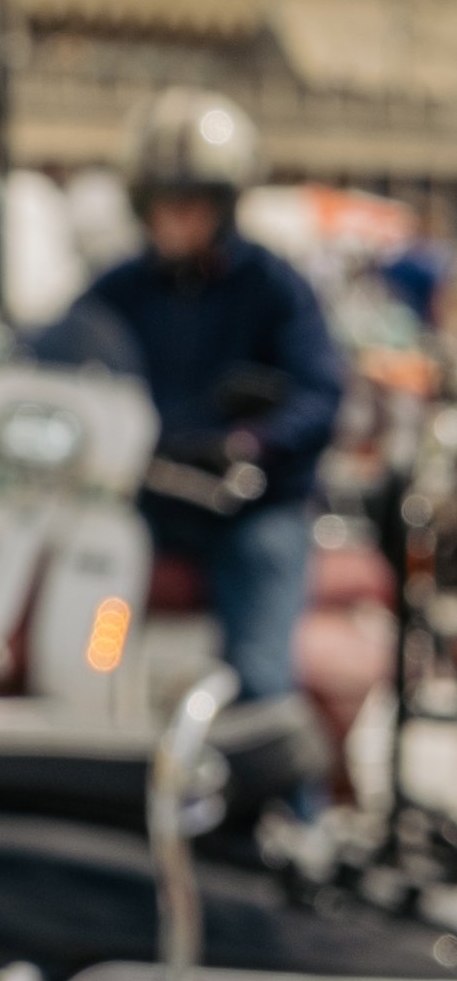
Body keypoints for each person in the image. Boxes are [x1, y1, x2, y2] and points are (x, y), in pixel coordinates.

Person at [72, 89, 345, 706]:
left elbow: (321, 392)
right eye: (162, 202)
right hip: (144, 505)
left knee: (260, 674)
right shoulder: (122, 289)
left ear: (224, 205)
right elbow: (54, 344)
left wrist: (252, 443)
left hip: (250, 512)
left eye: (192, 202)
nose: (175, 218)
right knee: (87, 647)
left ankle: (281, 794)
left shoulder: (274, 288)